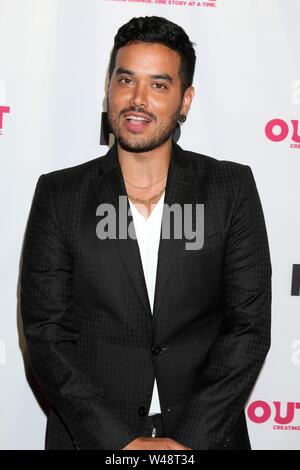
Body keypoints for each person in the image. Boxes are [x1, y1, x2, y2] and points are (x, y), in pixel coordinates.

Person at [21, 16, 272, 450]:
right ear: (108, 88)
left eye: (158, 85)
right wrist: (119, 443)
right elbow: (46, 334)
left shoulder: (231, 188)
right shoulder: (60, 193)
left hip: (207, 437)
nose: (137, 100)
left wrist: (187, 442)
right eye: (126, 80)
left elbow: (248, 329)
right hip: (91, 439)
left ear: (185, 100)